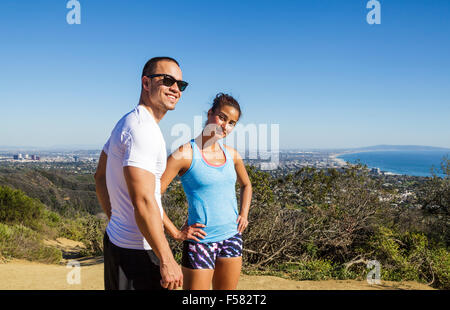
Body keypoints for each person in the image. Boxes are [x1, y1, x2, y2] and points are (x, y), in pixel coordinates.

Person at [94, 56, 189, 290]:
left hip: (118, 243)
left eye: (181, 84)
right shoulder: (143, 130)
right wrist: (167, 259)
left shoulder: (128, 122)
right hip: (138, 253)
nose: (175, 88)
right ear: (146, 83)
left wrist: (117, 221)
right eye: (167, 80)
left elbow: (99, 178)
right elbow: (144, 201)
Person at [160, 93, 253, 290]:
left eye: (232, 123)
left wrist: (244, 213)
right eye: (222, 117)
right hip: (201, 241)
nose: (225, 126)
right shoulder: (185, 154)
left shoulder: (232, 155)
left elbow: (247, 185)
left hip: (232, 237)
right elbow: (151, 196)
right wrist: (175, 232)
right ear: (210, 113)